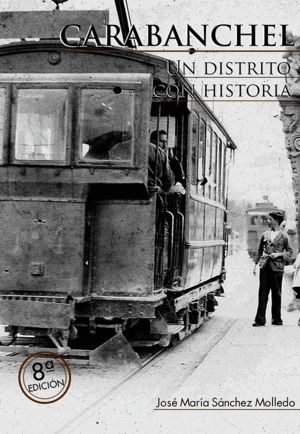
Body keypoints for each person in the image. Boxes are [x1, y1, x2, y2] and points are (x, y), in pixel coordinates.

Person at [252, 211, 293, 327]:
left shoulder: (284, 236)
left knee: (277, 294)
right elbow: (260, 250)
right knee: (262, 293)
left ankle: (277, 319)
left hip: (277, 268)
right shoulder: (265, 235)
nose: (267, 221)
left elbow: (290, 252)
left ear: (276, 221)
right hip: (265, 266)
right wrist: (256, 264)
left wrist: (279, 255)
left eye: (270, 219)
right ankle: (260, 319)